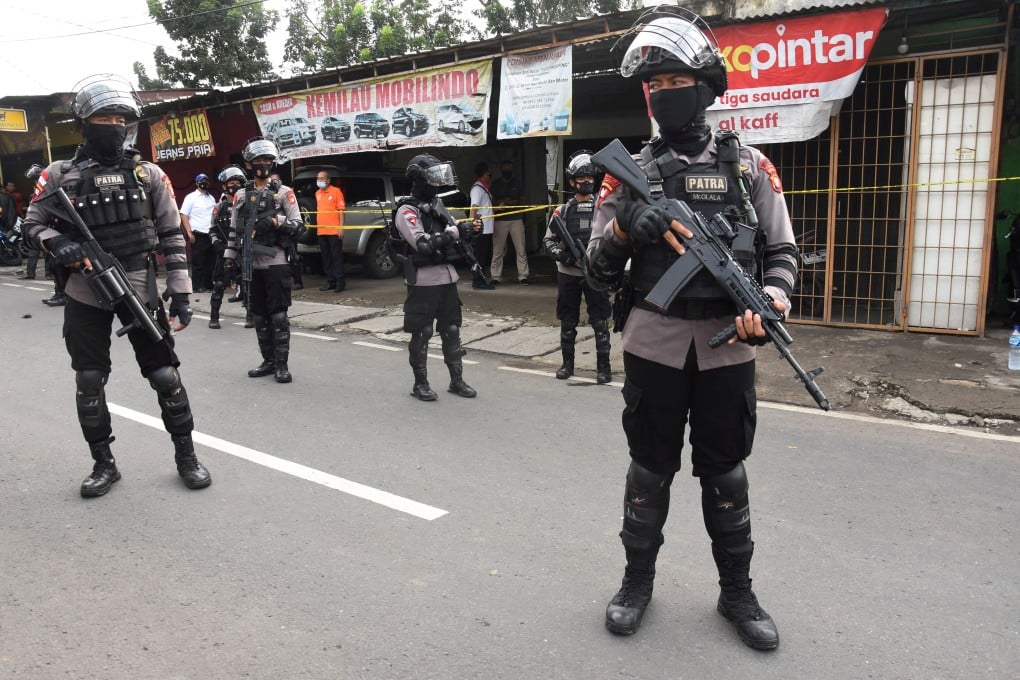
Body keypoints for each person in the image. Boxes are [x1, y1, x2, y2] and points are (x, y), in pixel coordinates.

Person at [589, 7, 798, 650]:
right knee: (649, 470)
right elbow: (596, 268)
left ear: (705, 86)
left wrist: (771, 301)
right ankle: (636, 583)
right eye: (652, 86)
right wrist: (629, 228)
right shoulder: (626, 172)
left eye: (674, 82)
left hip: (727, 348)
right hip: (653, 343)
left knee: (726, 473)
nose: (662, 96)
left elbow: (783, 253)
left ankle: (737, 591)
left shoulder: (749, 167)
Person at [21, 74, 211, 497]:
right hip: (83, 290)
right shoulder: (59, 175)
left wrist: (181, 291)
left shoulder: (148, 174)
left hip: (140, 287)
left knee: (164, 375)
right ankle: (103, 464)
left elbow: (172, 235)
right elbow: (31, 225)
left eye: (119, 118)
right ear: (85, 122)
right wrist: (63, 245)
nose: (112, 124)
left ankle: (187, 455)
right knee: (89, 379)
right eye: (103, 117)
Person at [393, 154, 478, 401]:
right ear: (418, 180)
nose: (436, 184)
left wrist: (468, 230)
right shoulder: (407, 210)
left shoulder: (438, 206)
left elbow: (452, 233)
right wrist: (453, 234)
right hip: (423, 281)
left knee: (452, 330)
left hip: (447, 278)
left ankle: (457, 380)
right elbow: (422, 244)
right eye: (431, 179)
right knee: (423, 332)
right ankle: (420, 383)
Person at [224, 138, 306, 384]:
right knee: (259, 316)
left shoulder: (284, 193)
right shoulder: (240, 195)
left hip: (276, 261)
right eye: (258, 161)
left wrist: (274, 221)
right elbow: (232, 230)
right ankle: (268, 362)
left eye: (267, 161)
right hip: (251, 262)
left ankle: (282, 365)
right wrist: (229, 261)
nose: (263, 165)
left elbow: (300, 227)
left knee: (278, 316)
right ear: (249, 165)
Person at [542, 150, 612, 384]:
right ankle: (567, 365)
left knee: (600, 322)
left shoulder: (603, 208)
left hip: (595, 274)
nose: (588, 183)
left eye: (591, 178)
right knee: (568, 321)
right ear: (572, 182)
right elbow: (548, 242)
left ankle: (604, 368)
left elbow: (613, 238)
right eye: (582, 179)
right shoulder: (563, 211)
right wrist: (565, 257)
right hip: (569, 274)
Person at [208, 165, 245, 329]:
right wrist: (216, 244)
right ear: (224, 186)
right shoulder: (218, 208)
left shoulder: (245, 205)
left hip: (243, 251)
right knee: (219, 285)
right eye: (231, 183)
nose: (234, 186)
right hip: (223, 252)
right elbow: (212, 229)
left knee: (248, 283)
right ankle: (214, 317)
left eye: (237, 182)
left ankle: (250, 316)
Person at [490, 159, 530, 285]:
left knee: (521, 249)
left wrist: (514, 203)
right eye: (505, 168)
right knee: (498, 250)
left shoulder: (517, 183)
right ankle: (495, 277)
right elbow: (490, 202)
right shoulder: (495, 184)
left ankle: (523, 276)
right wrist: (502, 202)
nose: (507, 170)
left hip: (516, 219)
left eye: (509, 168)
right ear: (501, 170)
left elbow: (524, 201)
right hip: (500, 219)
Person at [179, 173, 217, 292]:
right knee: (198, 262)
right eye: (202, 181)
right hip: (198, 234)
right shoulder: (190, 197)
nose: (204, 183)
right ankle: (198, 286)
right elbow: (183, 215)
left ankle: (208, 284)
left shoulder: (211, 198)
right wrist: (189, 233)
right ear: (196, 183)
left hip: (210, 233)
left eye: (206, 180)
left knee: (211, 261)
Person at [271, 171, 305, 291]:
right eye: (271, 179)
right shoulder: (266, 193)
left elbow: (294, 217)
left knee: (293, 257)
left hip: (287, 229)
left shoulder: (285, 192)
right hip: (272, 232)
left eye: (276, 179)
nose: (273, 181)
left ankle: (297, 281)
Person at [314, 169, 347, 293]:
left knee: (336, 257)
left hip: (334, 231)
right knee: (326, 258)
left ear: (328, 180)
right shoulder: (317, 193)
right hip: (321, 231)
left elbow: (341, 211)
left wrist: (341, 228)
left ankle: (340, 282)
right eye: (318, 179)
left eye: (321, 179)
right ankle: (330, 281)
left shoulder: (336, 191)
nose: (319, 181)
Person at [467, 162, 495, 290]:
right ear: (484, 174)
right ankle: (478, 281)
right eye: (488, 172)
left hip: (487, 228)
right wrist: (472, 225)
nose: (490, 175)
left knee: (484, 255)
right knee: (480, 256)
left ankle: (481, 279)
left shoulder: (484, 188)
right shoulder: (477, 189)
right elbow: (474, 208)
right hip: (481, 228)